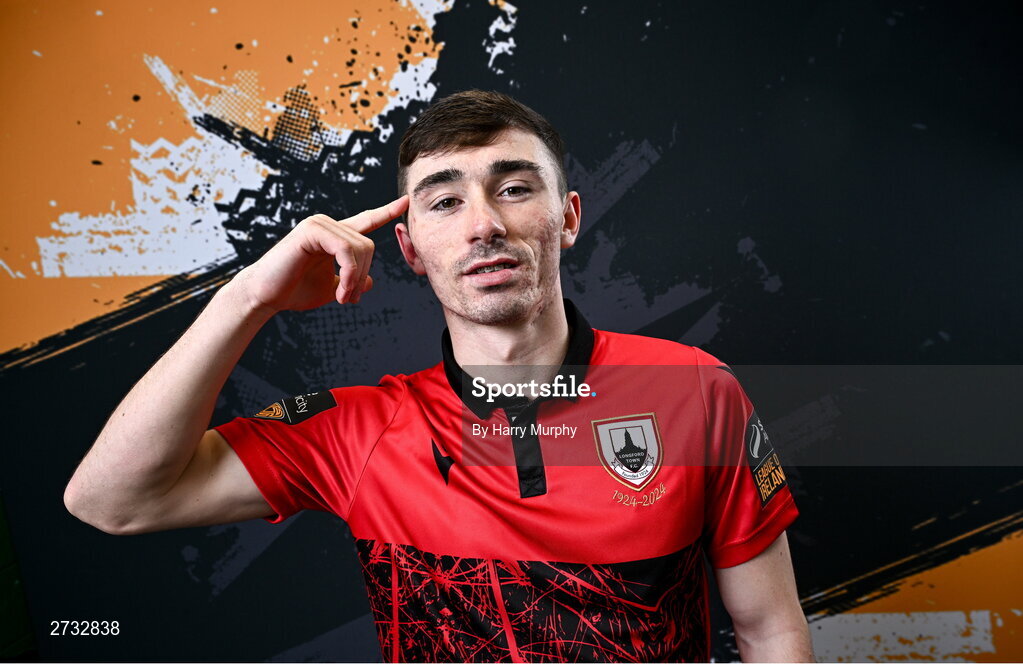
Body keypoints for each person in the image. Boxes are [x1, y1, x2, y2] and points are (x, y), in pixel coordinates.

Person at [64, 90, 814, 662]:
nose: (483, 224)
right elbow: (111, 501)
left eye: (513, 188)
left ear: (568, 217)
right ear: (411, 249)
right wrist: (247, 298)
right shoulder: (355, 432)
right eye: (446, 201)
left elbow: (770, 628)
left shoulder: (693, 390)